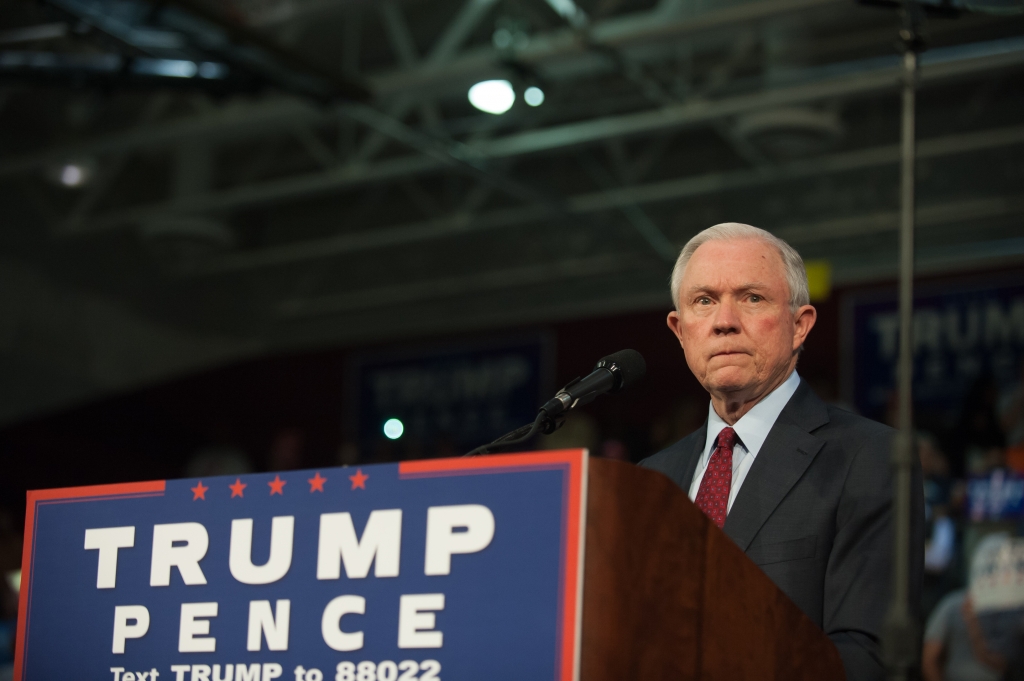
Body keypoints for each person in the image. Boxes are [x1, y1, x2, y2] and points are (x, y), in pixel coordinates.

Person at [639, 222, 924, 681]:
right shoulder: (649, 481)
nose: (724, 320)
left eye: (752, 298)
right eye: (704, 301)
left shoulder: (869, 457)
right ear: (679, 330)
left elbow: (869, 656)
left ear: (800, 325)